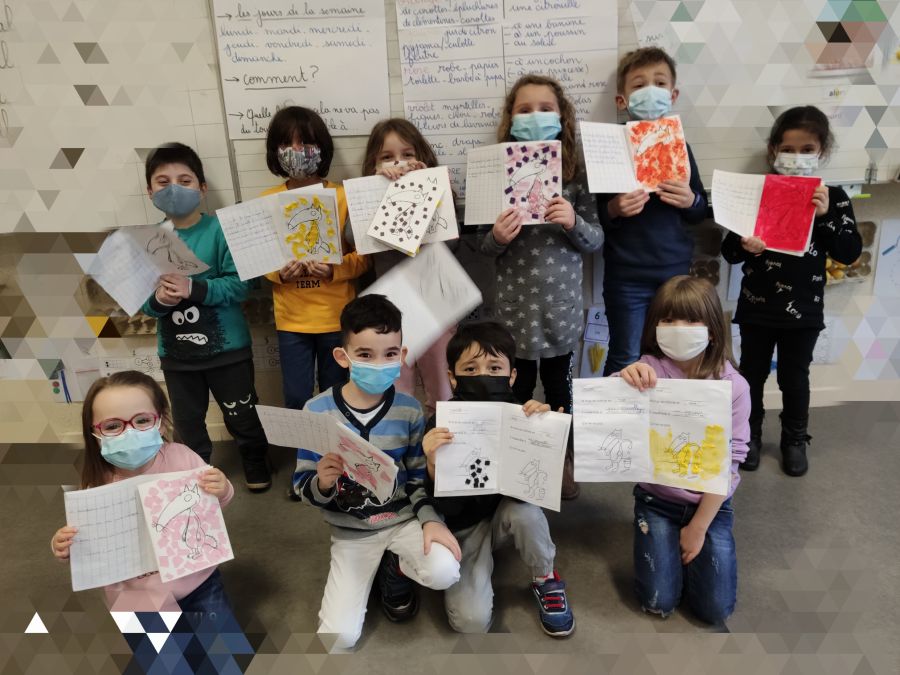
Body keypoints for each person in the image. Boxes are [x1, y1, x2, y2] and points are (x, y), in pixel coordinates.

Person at [292, 294, 460, 651]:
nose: (379, 364)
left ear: (402, 355)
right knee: (337, 640)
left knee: (445, 570)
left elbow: (417, 479)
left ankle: (395, 567)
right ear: (343, 357)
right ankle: (377, 569)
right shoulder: (316, 410)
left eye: (389, 354)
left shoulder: (409, 411)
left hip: (402, 521)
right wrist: (322, 482)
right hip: (352, 531)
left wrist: (431, 520)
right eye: (365, 355)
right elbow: (302, 485)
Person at [480, 73, 604, 500]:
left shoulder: (576, 173)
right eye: (524, 109)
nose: (535, 116)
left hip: (559, 313)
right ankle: (516, 463)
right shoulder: (495, 171)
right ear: (510, 119)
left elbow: (595, 239)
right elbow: (482, 246)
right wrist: (497, 236)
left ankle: (562, 461)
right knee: (514, 391)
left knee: (559, 392)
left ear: (562, 116)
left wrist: (573, 221)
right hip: (514, 312)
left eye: (545, 108)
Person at [721, 105, 861, 476]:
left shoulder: (833, 197)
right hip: (757, 306)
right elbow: (729, 252)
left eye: (807, 150)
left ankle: (795, 439)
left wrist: (825, 217)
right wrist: (745, 245)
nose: (797, 157)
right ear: (773, 150)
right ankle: (748, 435)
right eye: (788, 149)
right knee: (751, 375)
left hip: (804, 309)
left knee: (794, 377)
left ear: (822, 152)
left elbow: (849, 253)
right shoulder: (757, 192)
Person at [423, 321, 575, 637]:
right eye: (470, 368)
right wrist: (433, 465)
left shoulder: (523, 415)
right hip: (462, 527)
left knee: (526, 513)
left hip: (505, 513)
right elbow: (441, 506)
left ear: (512, 375)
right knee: (471, 623)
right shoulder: (441, 424)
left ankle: (545, 577)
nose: (484, 375)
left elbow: (530, 493)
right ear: (452, 377)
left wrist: (545, 437)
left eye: (495, 368)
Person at [617, 275, 749, 625]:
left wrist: (699, 527)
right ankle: (662, 545)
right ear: (655, 326)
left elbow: (732, 460)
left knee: (715, 610)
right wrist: (625, 376)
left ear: (713, 330)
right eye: (668, 319)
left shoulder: (733, 386)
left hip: (710, 505)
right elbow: (612, 408)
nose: (678, 328)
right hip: (656, 500)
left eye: (691, 320)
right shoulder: (649, 369)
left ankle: (686, 548)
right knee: (658, 602)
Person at [140, 143, 271, 491]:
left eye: (184, 181)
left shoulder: (221, 231)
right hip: (177, 355)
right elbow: (143, 304)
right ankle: (194, 472)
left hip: (229, 350)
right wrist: (159, 300)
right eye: (163, 182)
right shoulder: (150, 240)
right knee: (187, 422)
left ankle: (255, 458)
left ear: (202, 188)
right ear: (149, 191)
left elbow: (240, 286)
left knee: (242, 413)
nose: (174, 188)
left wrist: (193, 288)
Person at [50, 371, 236, 617]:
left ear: (161, 421)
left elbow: (211, 505)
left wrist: (223, 488)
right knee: (158, 645)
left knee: (222, 642)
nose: (130, 432)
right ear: (94, 433)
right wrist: (64, 545)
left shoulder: (183, 458)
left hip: (197, 579)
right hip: (134, 596)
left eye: (142, 420)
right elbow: (87, 539)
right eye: (113, 426)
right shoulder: (96, 484)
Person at [597, 47, 708, 376]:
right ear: (622, 100)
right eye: (639, 85)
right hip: (626, 276)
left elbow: (698, 211)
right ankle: (615, 410)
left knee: (674, 356)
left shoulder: (681, 147)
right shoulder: (610, 148)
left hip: (674, 273)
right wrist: (614, 208)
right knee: (626, 355)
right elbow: (598, 216)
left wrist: (691, 201)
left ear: (673, 95)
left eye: (659, 83)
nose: (650, 91)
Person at [262, 106, 370, 411]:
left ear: (322, 147)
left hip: (337, 317)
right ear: (275, 151)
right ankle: (304, 444)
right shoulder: (266, 201)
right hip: (292, 321)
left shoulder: (344, 197)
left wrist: (335, 270)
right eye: (287, 144)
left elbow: (365, 258)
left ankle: (338, 442)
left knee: (337, 396)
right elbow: (259, 259)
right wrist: (279, 273)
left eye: (306, 143)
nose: (297, 151)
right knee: (297, 398)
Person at [359, 118, 458, 417]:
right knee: (396, 391)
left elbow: (451, 243)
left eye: (407, 155)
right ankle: (401, 439)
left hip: (435, 307)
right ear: (374, 164)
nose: (398, 163)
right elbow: (354, 237)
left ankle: (440, 438)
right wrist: (376, 188)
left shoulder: (437, 189)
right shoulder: (368, 195)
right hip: (391, 312)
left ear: (422, 158)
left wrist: (428, 188)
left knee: (442, 389)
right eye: (387, 157)